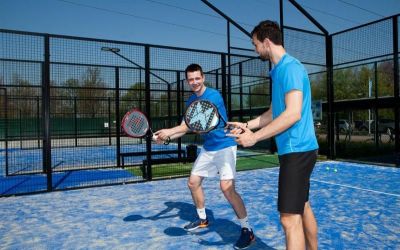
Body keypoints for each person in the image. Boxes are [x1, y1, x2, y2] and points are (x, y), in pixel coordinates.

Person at [227, 20, 319, 250]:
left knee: (289, 219)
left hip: (297, 150)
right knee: (303, 206)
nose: (255, 49)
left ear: (266, 42)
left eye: (255, 44)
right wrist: (247, 125)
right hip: (297, 149)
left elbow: (293, 114)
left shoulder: (291, 68)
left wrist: (255, 138)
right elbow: (272, 113)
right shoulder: (279, 71)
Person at [154, 63, 255, 249]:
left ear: (203, 78)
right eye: (191, 79)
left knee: (227, 188)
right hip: (209, 147)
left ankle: (247, 231)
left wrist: (169, 132)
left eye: (197, 78)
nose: (194, 82)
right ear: (187, 81)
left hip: (225, 145)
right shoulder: (190, 100)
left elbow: (191, 127)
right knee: (193, 182)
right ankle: (203, 219)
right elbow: (186, 127)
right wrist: (165, 137)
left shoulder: (213, 96)